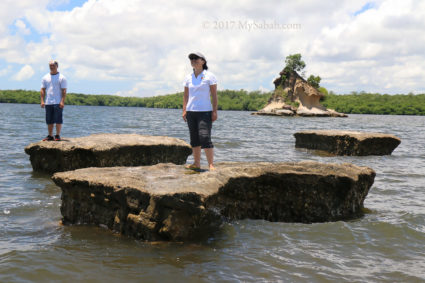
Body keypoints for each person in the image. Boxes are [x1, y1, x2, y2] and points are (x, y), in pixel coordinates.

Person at [182, 52, 218, 171]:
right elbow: (186, 95)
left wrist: (214, 111)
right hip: (191, 111)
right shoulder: (188, 77)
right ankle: (196, 163)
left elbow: (214, 95)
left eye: (196, 58)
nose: (193, 60)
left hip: (205, 111)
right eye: (191, 59)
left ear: (203, 61)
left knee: (204, 136)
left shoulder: (210, 76)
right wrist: (184, 110)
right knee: (194, 138)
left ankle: (210, 164)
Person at [40, 60, 67, 141]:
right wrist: (42, 100)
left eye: (53, 66)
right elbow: (42, 89)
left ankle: (57, 135)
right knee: (49, 120)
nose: (51, 67)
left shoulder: (62, 77)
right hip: (48, 102)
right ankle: (50, 135)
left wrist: (62, 101)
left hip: (58, 102)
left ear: (57, 66)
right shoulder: (45, 77)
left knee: (58, 119)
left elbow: (64, 90)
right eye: (50, 66)